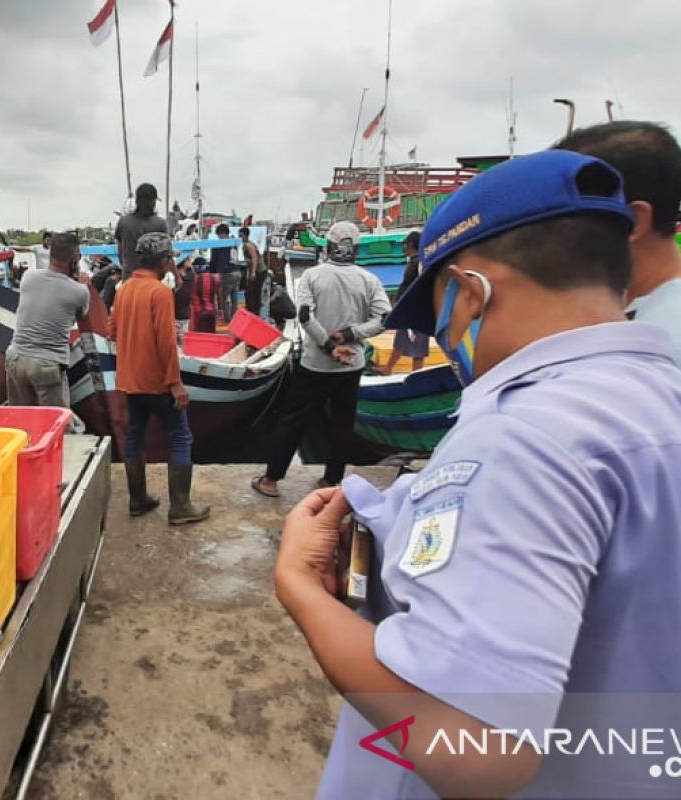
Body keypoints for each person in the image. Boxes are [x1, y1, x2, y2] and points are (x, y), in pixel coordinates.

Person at [274, 149, 681, 800]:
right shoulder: (657, 398)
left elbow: (478, 750)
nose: (438, 338)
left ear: (469, 293)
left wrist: (301, 590)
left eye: (436, 315)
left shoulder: (521, 436)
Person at [251, 220, 389, 497]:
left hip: (315, 364)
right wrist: (350, 335)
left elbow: (304, 317)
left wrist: (328, 345)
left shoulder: (312, 276)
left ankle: (271, 480)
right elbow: (384, 319)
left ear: (328, 246)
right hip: (352, 364)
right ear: (356, 250)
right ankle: (331, 480)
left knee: (293, 421)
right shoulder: (369, 280)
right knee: (342, 423)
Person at [557, 120, 681, 365]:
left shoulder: (656, 348)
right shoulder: (641, 320)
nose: (553, 237)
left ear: (633, 221)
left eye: (565, 219)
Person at [110, 233, 209, 526]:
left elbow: (112, 330)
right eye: (171, 258)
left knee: (134, 437)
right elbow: (166, 342)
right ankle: (180, 506)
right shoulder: (159, 292)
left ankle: (137, 500)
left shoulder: (124, 288)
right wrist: (175, 382)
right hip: (157, 382)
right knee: (180, 437)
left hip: (129, 380)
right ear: (164, 260)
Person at [5, 232, 90, 407]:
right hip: (47, 364)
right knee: (55, 424)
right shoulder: (80, 292)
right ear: (75, 259)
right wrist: (84, 284)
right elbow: (79, 318)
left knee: (22, 422)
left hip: (15, 359)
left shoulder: (28, 277)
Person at [380, 230, 430, 374]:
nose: (404, 248)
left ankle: (414, 372)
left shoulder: (419, 263)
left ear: (412, 245)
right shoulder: (413, 262)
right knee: (402, 340)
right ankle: (389, 368)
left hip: (416, 310)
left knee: (417, 343)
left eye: (406, 244)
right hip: (409, 309)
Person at [114, 184, 168, 279]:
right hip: (152, 278)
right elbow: (164, 254)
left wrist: (125, 266)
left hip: (129, 277)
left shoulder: (124, 222)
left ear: (136, 201)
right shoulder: (160, 224)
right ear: (153, 202)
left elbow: (120, 250)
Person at [210, 223, 239, 323]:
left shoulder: (218, 245)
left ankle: (227, 319)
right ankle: (235, 318)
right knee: (234, 297)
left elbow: (213, 261)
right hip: (236, 271)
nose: (218, 237)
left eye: (218, 235)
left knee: (223, 296)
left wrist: (212, 272)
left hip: (226, 272)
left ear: (221, 233)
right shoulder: (234, 243)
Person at [239, 226, 266, 316]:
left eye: (241, 236)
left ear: (246, 236)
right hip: (255, 270)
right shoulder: (247, 245)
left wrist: (253, 272)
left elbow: (255, 259)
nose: (240, 238)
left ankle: (255, 314)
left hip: (258, 271)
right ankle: (251, 311)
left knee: (254, 293)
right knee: (249, 292)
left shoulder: (248, 245)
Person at [190, 258, 221, 333]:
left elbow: (191, 297)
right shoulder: (215, 278)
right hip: (212, 310)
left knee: (199, 335)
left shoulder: (193, 279)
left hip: (197, 312)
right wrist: (220, 309)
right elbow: (219, 295)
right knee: (211, 333)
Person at [173, 255, 195, 343]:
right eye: (188, 259)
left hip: (182, 312)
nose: (190, 261)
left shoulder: (190, 274)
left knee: (182, 338)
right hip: (178, 312)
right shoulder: (189, 275)